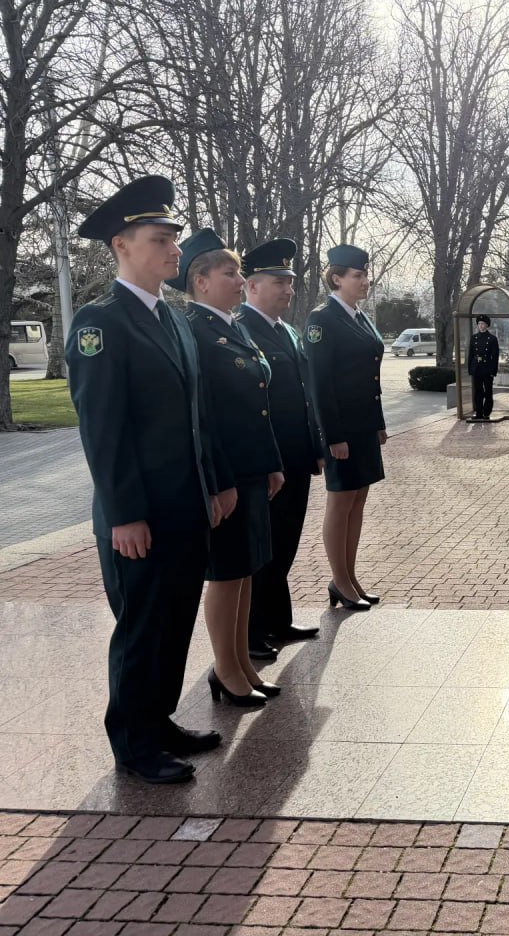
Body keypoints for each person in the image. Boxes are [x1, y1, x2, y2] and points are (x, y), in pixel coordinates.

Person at [66, 175, 229, 784]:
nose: (173, 250)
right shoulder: (101, 323)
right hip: (141, 513)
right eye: (160, 239)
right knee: (141, 628)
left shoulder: (174, 320)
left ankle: (158, 722)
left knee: (174, 619)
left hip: (185, 504)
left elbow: (197, 416)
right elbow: (103, 431)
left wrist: (214, 484)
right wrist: (125, 514)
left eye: (174, 239)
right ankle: (134, 744)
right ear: (121, 246)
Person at [174, 229, 285, 708]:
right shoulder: (193, 330)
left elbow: (259, 403)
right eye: (230, 273)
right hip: (227, 473)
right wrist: (220, 483)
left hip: (251, 468)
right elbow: (204, 416)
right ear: (200, 281)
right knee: (225, 573)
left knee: (245, 570)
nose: (241, 281)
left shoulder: (233, 326)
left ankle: (240, 663)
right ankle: (225, 669)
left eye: (239, 273)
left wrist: (271, 463)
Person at [238, 238, 324, 661]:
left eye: (290, 282)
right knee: (262, 547)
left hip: (296, 457)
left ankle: (277, 618)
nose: (289, 289)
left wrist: (315, 446)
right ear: (252, 285)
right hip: (266, 459)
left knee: (285, 542)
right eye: (279, 282)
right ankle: (251, 631)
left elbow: (304, 393)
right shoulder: (240, 329)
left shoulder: (287, 331)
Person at [305, 243, 385, 611]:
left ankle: (350, 578)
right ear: (336, 279)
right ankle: (339, 580)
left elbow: (371, 377)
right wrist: (332, 437)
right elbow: (319, 384)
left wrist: (378, 424)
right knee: (340, 502)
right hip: (341, 431)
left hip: (363, 427)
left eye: (365, 275)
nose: (365, 281)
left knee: (358, 500)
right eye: (358, 275)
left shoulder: (359, 316)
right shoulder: (322, 319)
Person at [467, 313, 500, 420]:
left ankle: (486, 412)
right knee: (478, 391)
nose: (481, 326)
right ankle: (479, 413)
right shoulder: (474, 338)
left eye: (483, 323)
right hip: (476, 368)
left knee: (488, 391)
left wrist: (493, 371)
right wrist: (470, 368)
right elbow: (471, 355)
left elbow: (495, 356)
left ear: (487, 325)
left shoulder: (492, 339)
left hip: (487, 368)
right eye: (479, 323)